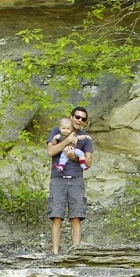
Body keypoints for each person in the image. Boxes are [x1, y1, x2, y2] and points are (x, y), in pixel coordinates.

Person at [46, 106, 94, 254]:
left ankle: (76, 253)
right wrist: (67, 140)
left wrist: (74, 157)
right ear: (71, 116)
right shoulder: (57, 131)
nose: (79, 120)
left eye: (83, 119)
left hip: (76, 179)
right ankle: (55, 253)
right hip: (58, 179)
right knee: (56, 216)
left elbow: (89, 162)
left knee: (76, 217)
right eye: (77, 117)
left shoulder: (84, 138)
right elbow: (51, 151)